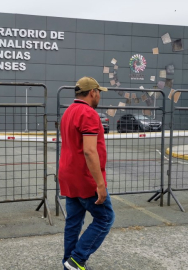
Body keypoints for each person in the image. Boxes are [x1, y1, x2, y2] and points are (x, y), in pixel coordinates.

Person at [59, 77, 115, 270]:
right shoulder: (88, 114)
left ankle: (69, 262)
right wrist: (100, 184)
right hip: (85, 178)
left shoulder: (68, 112)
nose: (99, 95)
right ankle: (76, 260)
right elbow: (89, 151)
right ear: (92, 92)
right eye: (99, 92)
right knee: (105, 218)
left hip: (68, 175)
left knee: (73, 221)